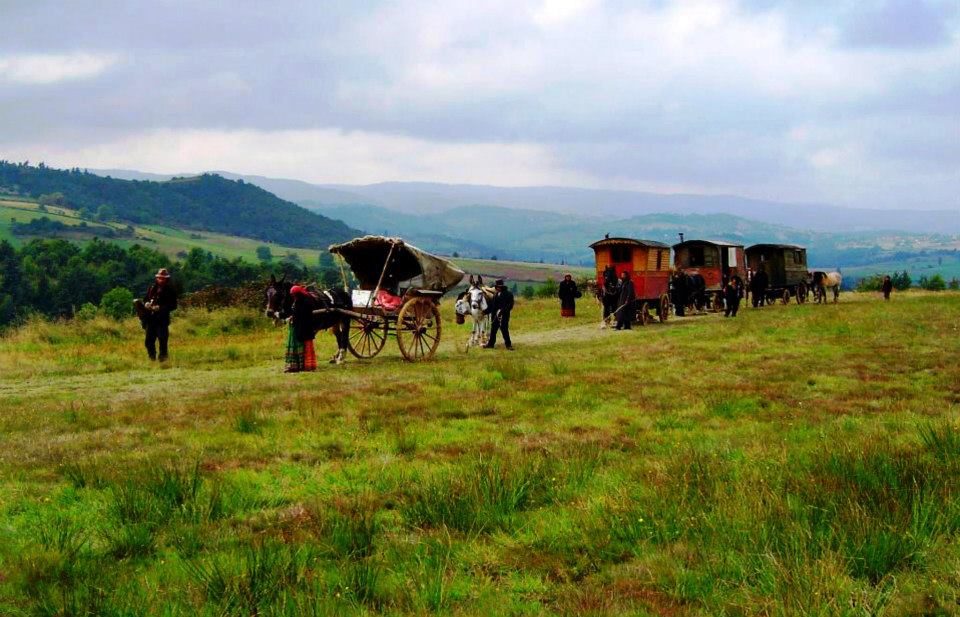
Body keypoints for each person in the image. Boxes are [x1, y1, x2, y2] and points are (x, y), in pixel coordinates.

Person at [142, 268, 178, 361]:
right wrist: (146, 303)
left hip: (162, 319)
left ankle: (163, 360)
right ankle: (152, 358)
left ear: (166, 279)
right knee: (149, 341)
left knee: (162, 340)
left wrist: (160, 308)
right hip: (150, 318)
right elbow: (145, 298)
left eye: (163, 278)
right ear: (157, 278)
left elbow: (173, 305)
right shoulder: (152, 287)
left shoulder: (170, 290)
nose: (161, 280)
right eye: (159, 278)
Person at [285, 285, 318, 372]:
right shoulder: (298, 302)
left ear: (299, 294)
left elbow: (303, 316)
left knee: (307, 347)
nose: (294, 297)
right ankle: (298, 365)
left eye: (295, 295)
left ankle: (308, 366)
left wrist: (294, 319)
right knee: (301, 347)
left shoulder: (306, 302)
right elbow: (296, 314)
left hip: (305, 328)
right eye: (292, 295)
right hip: (299, 328)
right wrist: (292, 317)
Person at [484, 279, 514, 350]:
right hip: (495, 316)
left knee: (504, 330)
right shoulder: (496, 294)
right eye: (497, 286)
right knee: (493, 330)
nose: (497, 288)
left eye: (498, 287)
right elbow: (492, 306)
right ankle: (490, 344)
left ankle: (508, 345)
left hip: (504, 316)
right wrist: (485, 312)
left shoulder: (508, 294)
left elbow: (510, 305)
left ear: (502, 287)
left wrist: (501, 312)